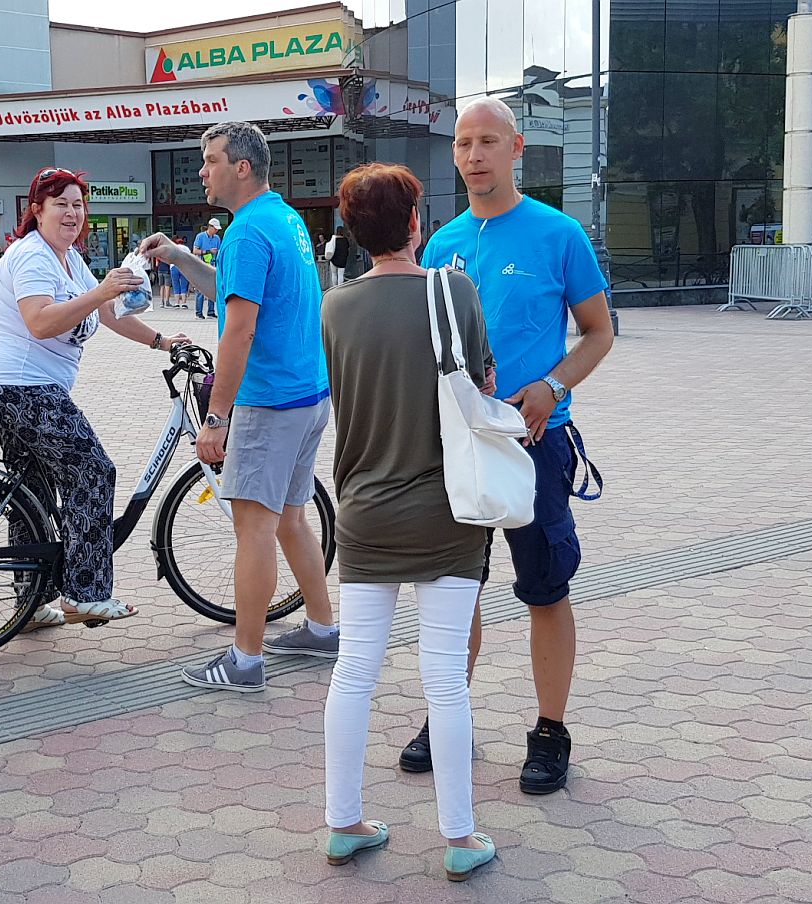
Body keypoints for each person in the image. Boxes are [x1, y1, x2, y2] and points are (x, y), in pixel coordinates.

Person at [412, 96, 614, 795]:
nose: (473, 155)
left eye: (488, 141)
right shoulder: (442, 246)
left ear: (517, 148)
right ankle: (449, 720)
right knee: (454, 590)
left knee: (544, 589)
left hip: (536, 444)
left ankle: (550, 731)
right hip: (460, 448)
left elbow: (598, 332)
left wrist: (552, 386)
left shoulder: (559, 235)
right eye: (464, 143)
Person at [318, 162, 497, 880]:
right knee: (445, 677)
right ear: (415, 222)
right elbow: (482, 382)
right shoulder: (453, 290)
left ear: (355, 234)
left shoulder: (334, 308)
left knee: (354, 671)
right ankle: (459, 838)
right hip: (448, 510)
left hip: (363, 511)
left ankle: (343, 823)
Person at [140, 121, 339, 693]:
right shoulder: (282, 219)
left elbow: (239, 330)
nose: (202, 171)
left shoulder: (248, 232)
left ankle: (245, 661)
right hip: (306, 396)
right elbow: (232, 292)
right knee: (292, 517)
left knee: (254, 527)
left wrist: (216, 416)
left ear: (242, 167)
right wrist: (181, 257)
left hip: (268, 401)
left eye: (211, 160)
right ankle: (324, 629)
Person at [0, 166, 189, 627]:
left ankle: (29, 603)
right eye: (61, 204)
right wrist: (100, 292)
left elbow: (108, 311)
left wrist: (162, 341)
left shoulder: (66, 257)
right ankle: (84, 593)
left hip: (15, 385)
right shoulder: (32, 256)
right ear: (36, 211)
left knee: (30, 488)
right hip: (20, 386)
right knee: (92, 471)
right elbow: (41, 321)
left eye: (78, 204)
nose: (73, 213)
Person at [192, 218, 222, 319]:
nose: (216, 231)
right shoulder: (200, 237)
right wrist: (208, 251)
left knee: (213, 288)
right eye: (215, 228)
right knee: (200, 289)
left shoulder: (217, 238)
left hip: (213, 265)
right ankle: (198, 312)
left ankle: (211, 311)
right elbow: (195, 251)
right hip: (201, 265)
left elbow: (219, 251)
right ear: (210, 227)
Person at [169, 236, 190, 308]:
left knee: (176, 285)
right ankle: (184, 303)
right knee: (184, 285)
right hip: (183, 267)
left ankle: (176, 303)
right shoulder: (186, 249)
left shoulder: (173, 248)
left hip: (174, 267)